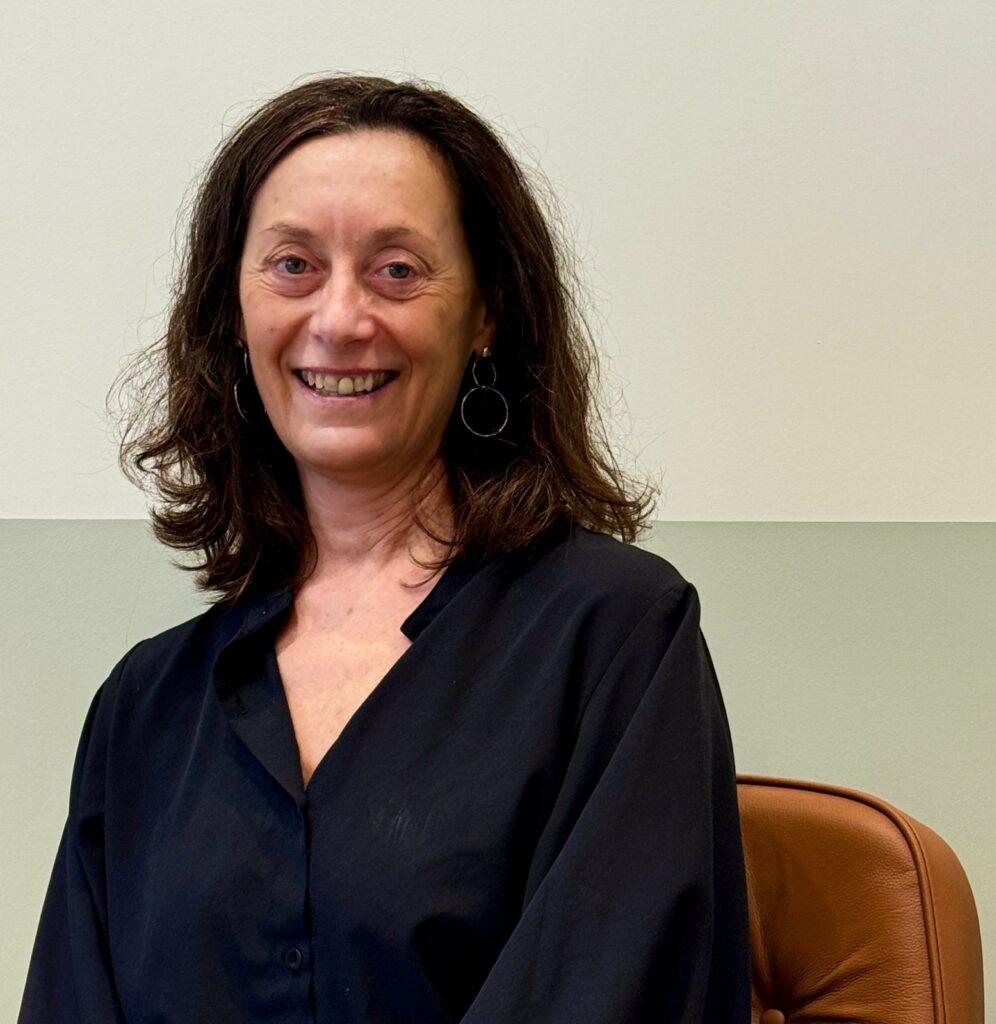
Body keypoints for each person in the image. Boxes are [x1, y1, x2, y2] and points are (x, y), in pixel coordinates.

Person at [19, 75, 750, 1023]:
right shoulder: (142, 710)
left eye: (398, 270)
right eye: (293, 265)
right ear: (233, 312)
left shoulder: (616, 640)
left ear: (485, 313)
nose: (339, 319)